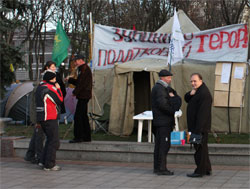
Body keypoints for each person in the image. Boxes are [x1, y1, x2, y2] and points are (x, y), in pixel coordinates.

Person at [24, 61, 66, 164]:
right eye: (52, 67)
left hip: (43, 114)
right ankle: (39, 157)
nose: (54, 69)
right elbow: (36, 102)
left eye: (54, 67)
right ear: (47, 68)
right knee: (41, 137)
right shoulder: (43, 85)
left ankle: (31, 155)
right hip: (43, 115)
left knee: (39, 136)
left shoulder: (45, 83)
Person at [151, 69, 182, 176]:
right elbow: (163, 105)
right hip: (163, 122)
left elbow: (178, 99)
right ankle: (161, 168)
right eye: (168, 77)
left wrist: (174, 100)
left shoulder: (165, 88)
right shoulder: (160, 89)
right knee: (163, 145)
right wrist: (173, 108)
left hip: (162, 121)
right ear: (163, 78)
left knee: (160, 145)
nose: (170, 79)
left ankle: (158, 167)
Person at [184, 73, 212, 178]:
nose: (193, 83)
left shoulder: (204, 93)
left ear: (201, 80)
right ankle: (207, 169)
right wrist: (190, 94)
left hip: (199, 128)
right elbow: (186, 98)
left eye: (195, 81)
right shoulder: (197, 91)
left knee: (199, 149)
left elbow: (203, 114)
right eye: (191, 81)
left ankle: (200, 171)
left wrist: (197, 130)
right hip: (196, 127)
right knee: (202, 148)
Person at [36, 70, 63, 171]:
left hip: (41, 116)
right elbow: (59, 99)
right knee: (54, 141)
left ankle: (43, 161)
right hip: (49, 116)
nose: (56, 81)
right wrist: (59, 89)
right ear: (51, 79)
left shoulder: (39, 87)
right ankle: (50, 164)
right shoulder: (49, 88)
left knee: (49, 139)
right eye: (54, 79)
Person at [66, 54, 92, 143]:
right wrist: (70, 80)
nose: (75, 63)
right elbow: (79, 82)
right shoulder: (83, 69)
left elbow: (81, 83)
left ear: (81, 60)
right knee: (83, 116)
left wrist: (75, 92)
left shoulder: (84, 69)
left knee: (78, 116)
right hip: (85, 95)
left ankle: (79, 136)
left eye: (76, 61)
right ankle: (86, 136)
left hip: (83, 95)